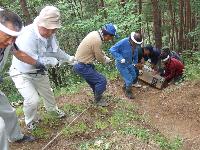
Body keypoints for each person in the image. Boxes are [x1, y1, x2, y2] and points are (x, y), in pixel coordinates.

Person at [9, 6, 77, 130]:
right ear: (40, 24)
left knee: (48, 94)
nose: (50, 33)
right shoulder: (28, 35)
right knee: (32, 100)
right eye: (47, 29)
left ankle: (53, 111)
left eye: (53, 29)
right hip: (22, 72)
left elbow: (55, 51)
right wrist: (52, 62)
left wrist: (68, 58)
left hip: (39, 73)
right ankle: (30, 121)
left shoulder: (49, 34)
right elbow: (30, 59)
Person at [0, 9, 38, 150]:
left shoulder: (9, 42)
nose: (11, 41)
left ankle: (16, 136)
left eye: (14, 37)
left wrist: (36, 63)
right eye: (8, 36)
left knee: (8, 112)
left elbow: (18, 53)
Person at [73, 23, 117, 106]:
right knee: (101, 81)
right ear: (107, 35)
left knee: (95, 81)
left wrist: (104, 56)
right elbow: (99, 57)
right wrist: (106, 60)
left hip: (81, 64)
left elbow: (97, 50)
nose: (111, 39)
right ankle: (98, 100)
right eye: (112, 37)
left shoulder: (95, 34)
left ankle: (97, 96)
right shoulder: (97, 40)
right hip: (82, 66)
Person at [109, 32, 143, 99]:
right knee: (129, 79)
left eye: (137, 44)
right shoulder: (123, 42)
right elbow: (112, 49)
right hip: (121, 64)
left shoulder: (136, 46)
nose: (136, 45)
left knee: (133, 75)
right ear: (131, 39)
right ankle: (128, 92)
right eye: (135, 43)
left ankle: (125, 86)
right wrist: (120, 58)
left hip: (129, 63)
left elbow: (135, 54)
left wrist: (135, 63)